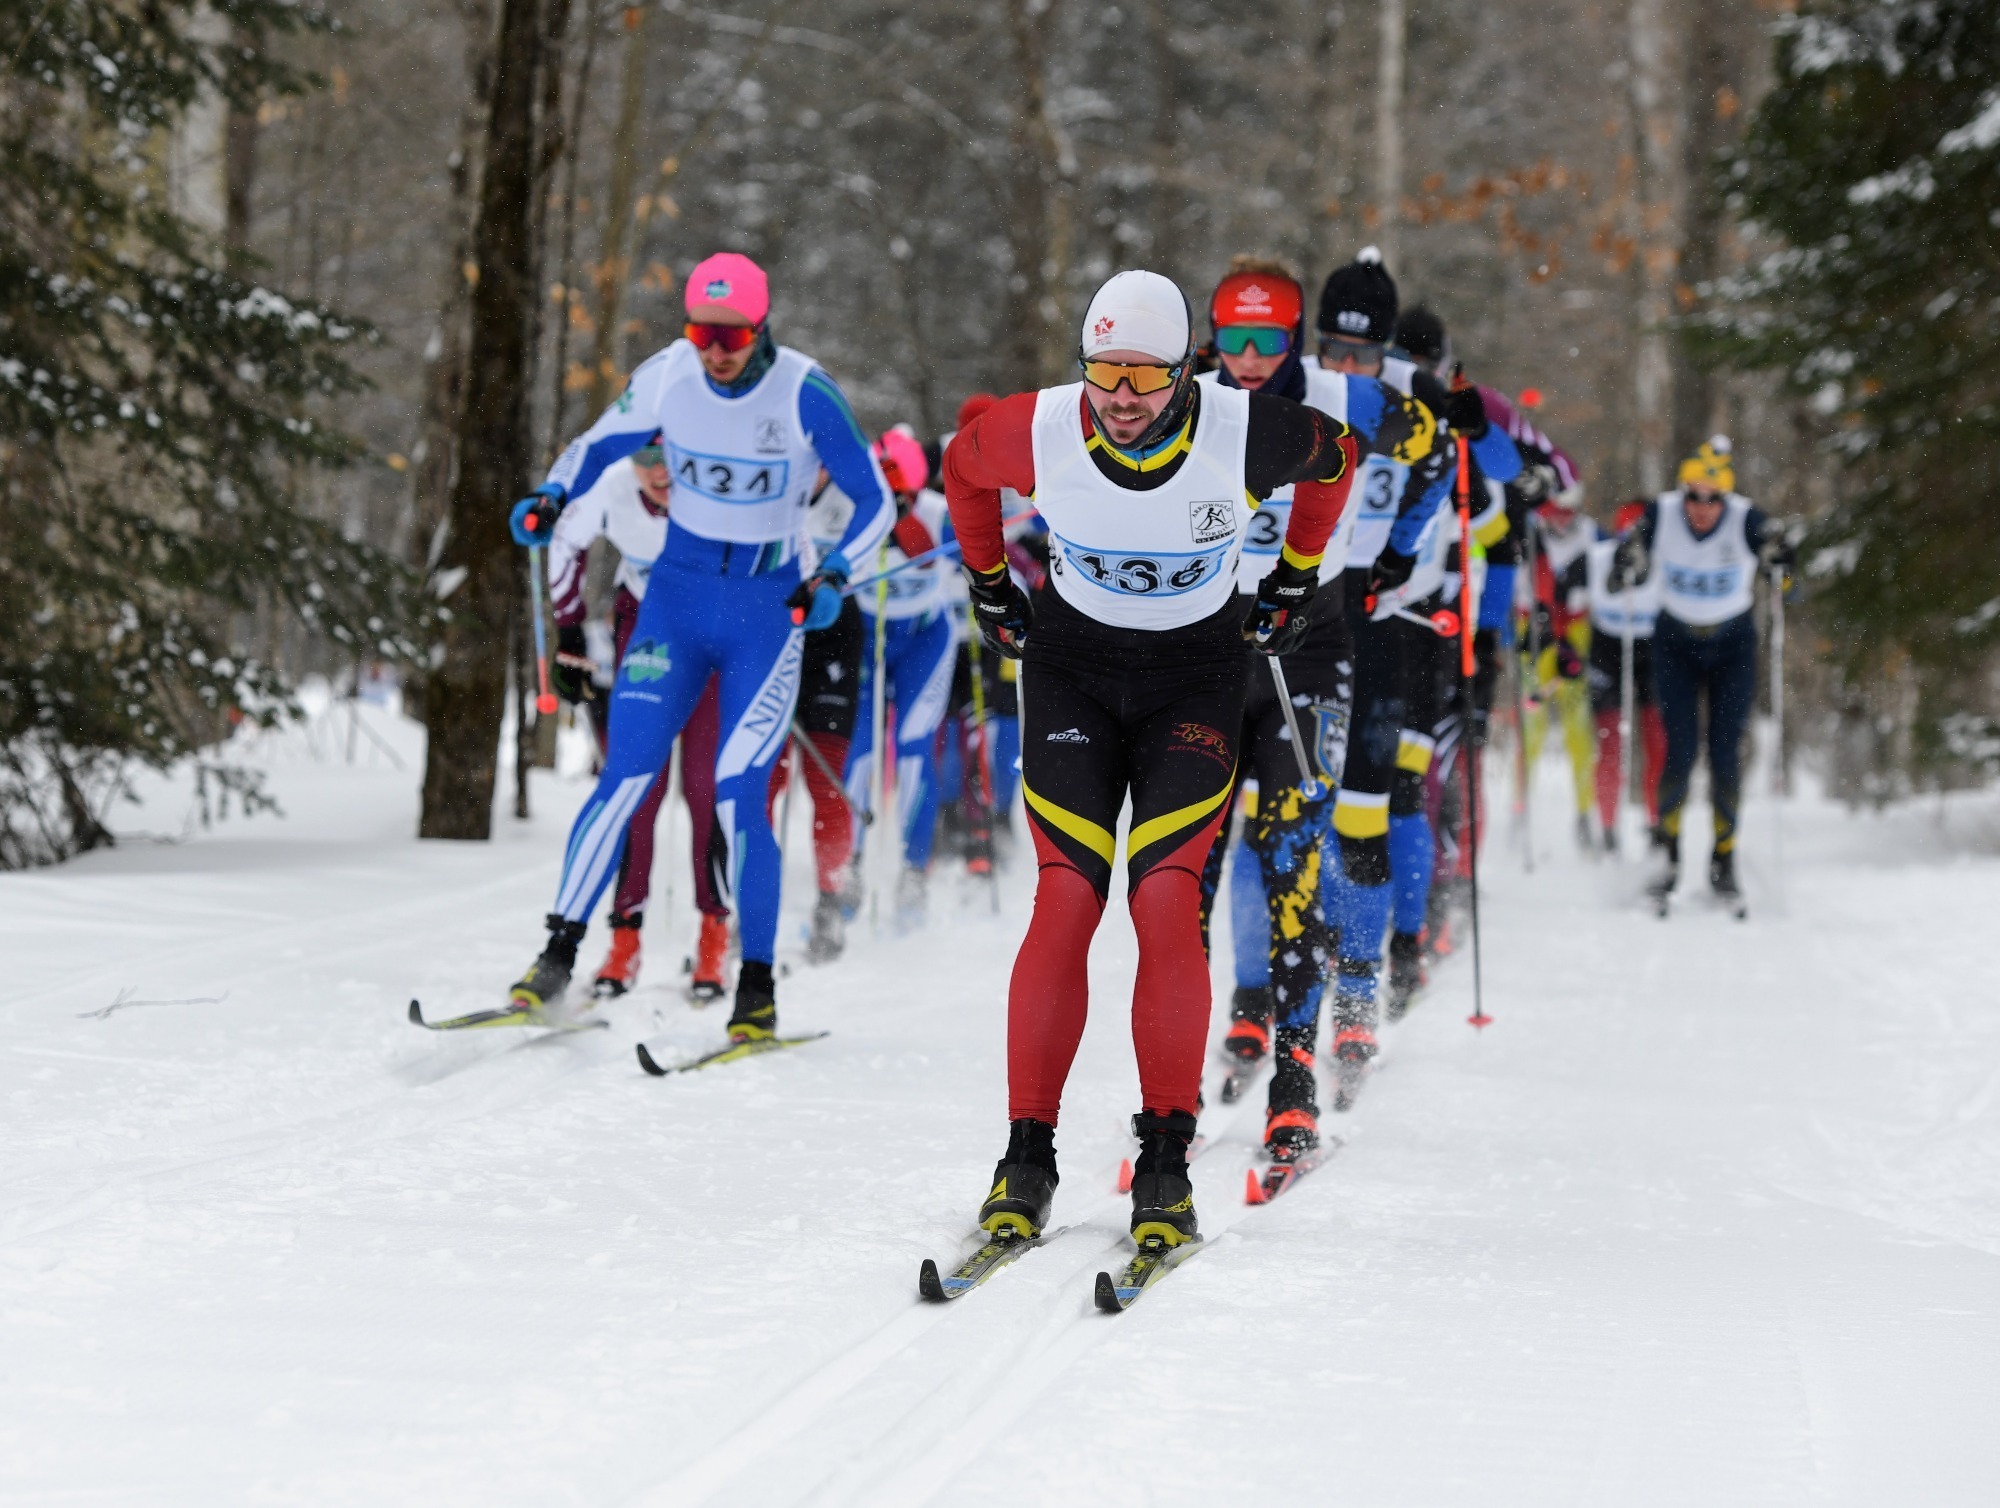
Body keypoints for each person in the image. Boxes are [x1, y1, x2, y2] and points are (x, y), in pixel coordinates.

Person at [942, 269, 1361, 1251]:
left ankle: (1164, 1158)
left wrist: (1297, 570)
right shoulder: (1038, 426)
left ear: (1186, 371)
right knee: (1065, 899)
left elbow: (1337, 458)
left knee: (1166, 898)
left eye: (1142, 375)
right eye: (1102, 372)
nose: (1119, 397)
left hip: (1192, 680)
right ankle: (1025, 1154)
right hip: (1071, 675)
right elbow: (962, 471)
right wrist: (988, 580)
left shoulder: (1241, 427)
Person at [507, 251, 891, 1040]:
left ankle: (755, 987)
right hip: (673, 605)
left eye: (735, 334)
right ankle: (555, 958)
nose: (717, 350)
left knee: (738, 794)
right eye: (703, 331)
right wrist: (552, 495)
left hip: (762, 611)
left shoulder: (804, 391)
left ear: (763, 327)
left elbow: (874, 498)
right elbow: (597, 445)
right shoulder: (669, 374)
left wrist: (837, 574)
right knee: (623, 780)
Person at [1193, 255, 1439, 1156]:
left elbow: (1439, 452)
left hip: (1311, 643)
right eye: (1231, 338)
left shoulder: (1347, 399)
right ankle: (1206, 1051)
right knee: (1193, 862)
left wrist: (1401, 554)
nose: (1248, 358)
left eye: (1266, 340)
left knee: (1296, 846)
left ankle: (1296, 1079)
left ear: (1292, 339)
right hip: (1209, 645)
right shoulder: (1190, 400)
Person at [1314, 252, 1520, 1089]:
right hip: (1309, 605)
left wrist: (1474, 417)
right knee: (1292, 802)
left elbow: (1502, 470)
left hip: (1398, 614)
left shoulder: (1414, 387)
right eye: (1334, 349)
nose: (1347, 368)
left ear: (1388, 349)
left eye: (1364, 355)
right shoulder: (1297, 378)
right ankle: (1279, 985)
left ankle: (1379, 964)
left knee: (1383, 791)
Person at [543, 434, 734, 997]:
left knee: (705, 787)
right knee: (637, 789)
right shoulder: (613, 487)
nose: (658, 472)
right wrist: (570, 632)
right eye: (646, 458)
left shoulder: (719, 488)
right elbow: (562, 541)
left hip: (713, 635)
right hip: (645, 628)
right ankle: (624, 942)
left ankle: (713, 938)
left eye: (670, 457)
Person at [1613, 436, 1790, 903]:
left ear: (1726, 498)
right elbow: (1624, 560)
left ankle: (1724, 857)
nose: (1702, 507)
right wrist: (1628, 560)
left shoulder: (1746, 518)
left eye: (1713, 499)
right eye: (1694, 496)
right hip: (1675, 645)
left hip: (1732, 645)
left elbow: (1784, 573)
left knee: (1726, 751)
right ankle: (1666, 854)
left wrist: (1779, 565)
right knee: (1680, 749)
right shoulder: (1662, 513)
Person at [843, 429, 956, 927]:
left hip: (924, 641)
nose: (897, 504)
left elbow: (967, 555)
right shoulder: (855, 508)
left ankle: (912, 871)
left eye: (905, 496)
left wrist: (919, 536)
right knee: (860, 752)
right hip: (867, 643)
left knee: (913, 750)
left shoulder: (935, 511)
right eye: (890, 496)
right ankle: (847, 866)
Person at [791, 466, 870, 963]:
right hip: (778, 633)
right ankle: (742, 908)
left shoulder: (853, 494)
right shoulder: (773, 483)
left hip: (836, 638)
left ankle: (830, 897)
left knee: (824, 777)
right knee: (766, 781)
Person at [1580, 500, 1665, 851]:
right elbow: (1562, 598)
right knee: (1610, 741)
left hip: (1654, 649)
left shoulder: (1664, 561)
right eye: (1625, 532)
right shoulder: (1597, 557)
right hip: (1606, 650)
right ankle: (1609, 827)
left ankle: (1657, 823)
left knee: (1658, 740)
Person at [1521, 487, 1602, 851]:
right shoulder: (1528, 532)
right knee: (1532, 726)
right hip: (1534, 630)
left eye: (1569, 512)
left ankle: (1585, 812)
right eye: (1556, 511)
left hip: (1575, 629)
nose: (1562, 519)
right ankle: (1519, 810)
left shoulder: (1590, 535)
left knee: (1578, 727)